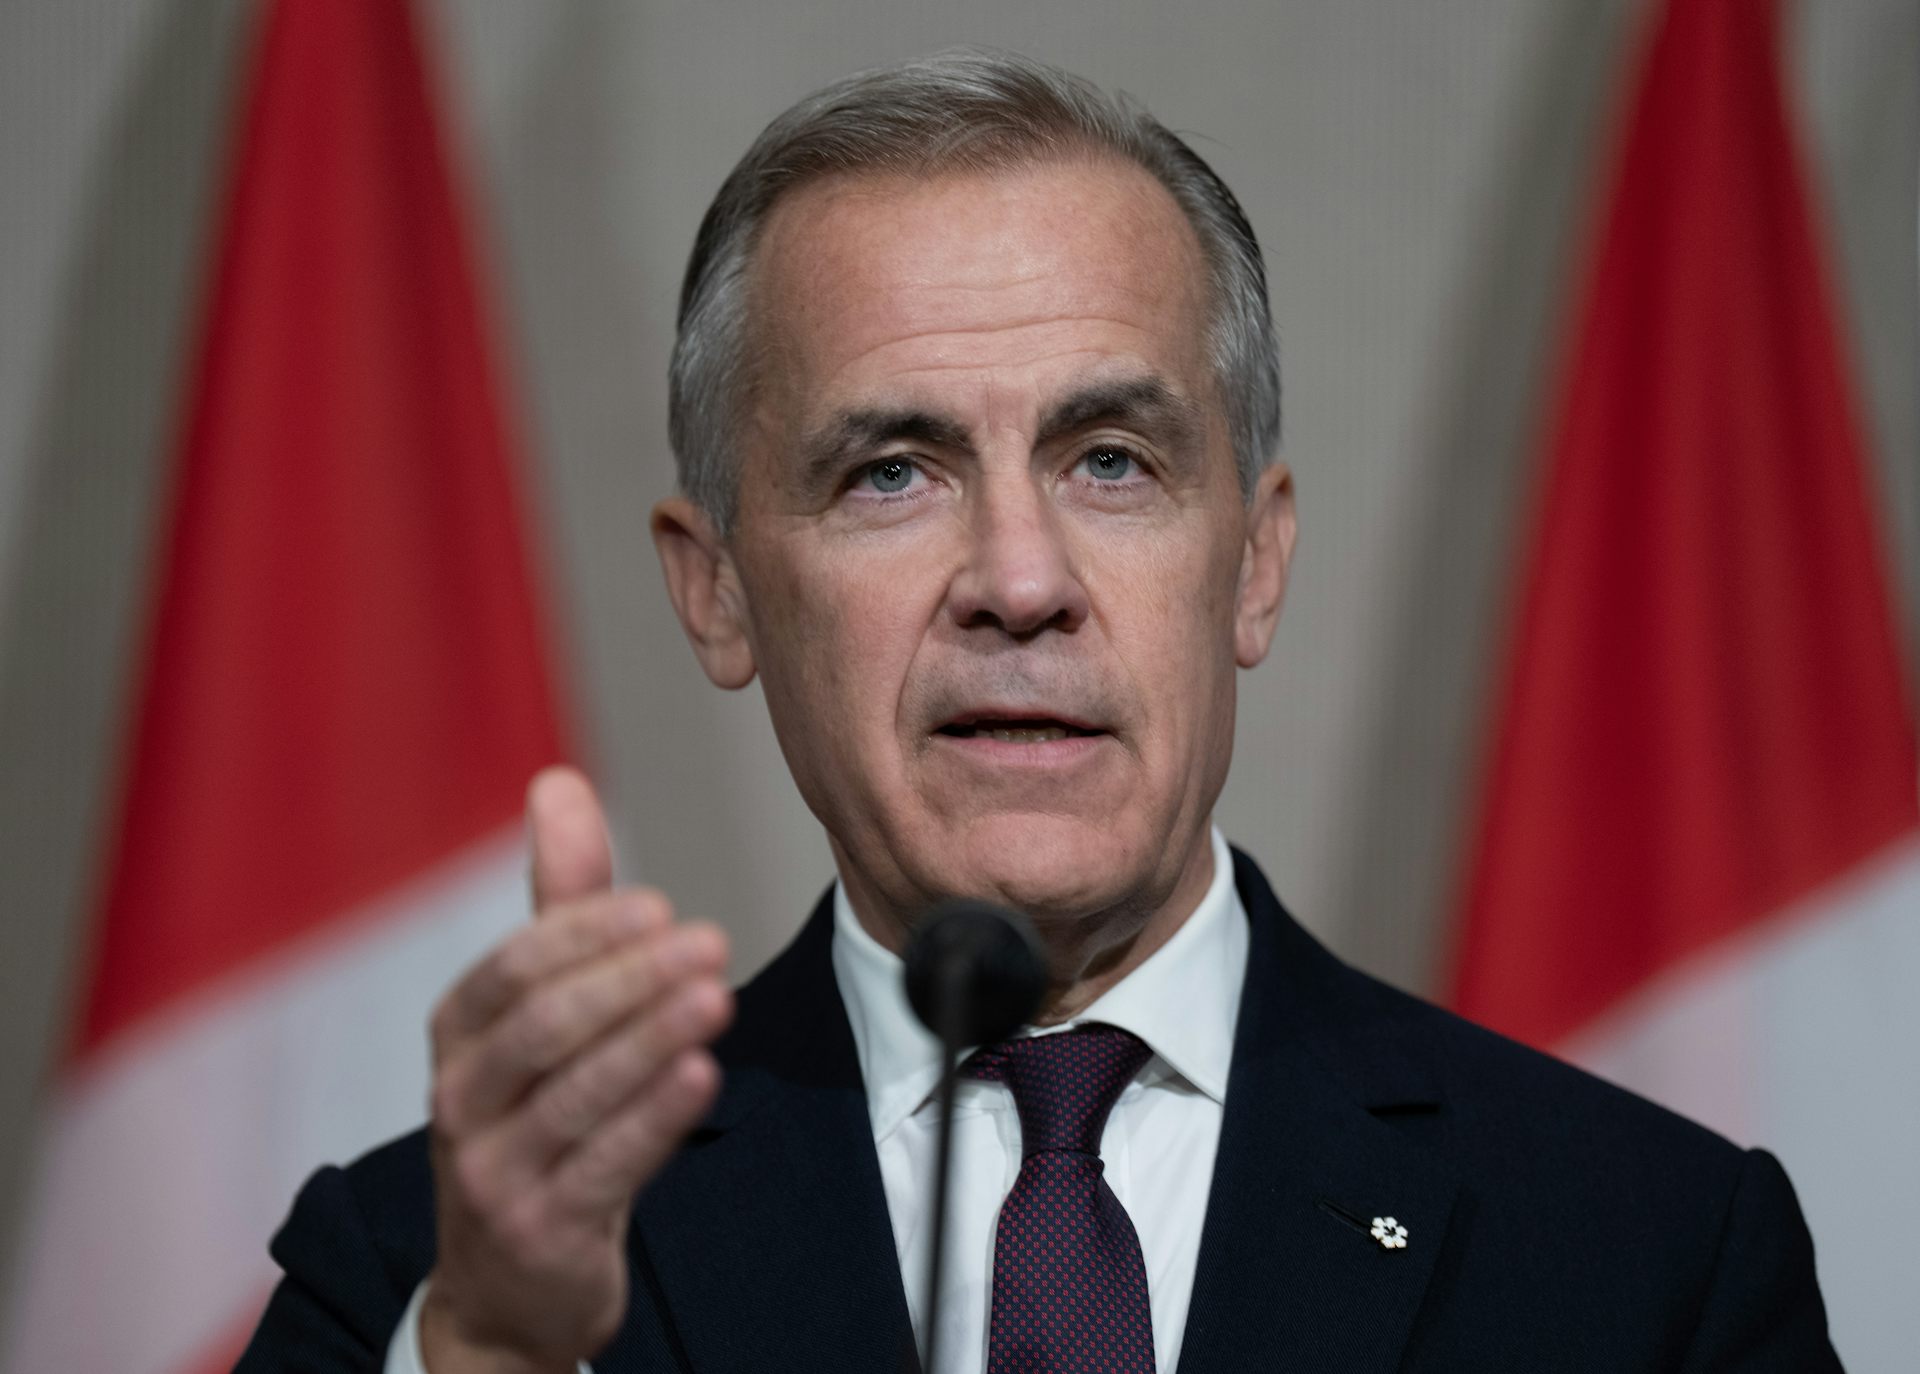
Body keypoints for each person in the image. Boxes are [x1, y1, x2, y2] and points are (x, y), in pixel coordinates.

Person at [236, 50, 1841, 1373]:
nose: (1019, 578)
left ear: (1257, 562)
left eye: (1112, 461)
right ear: (717, 587)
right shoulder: (419, 1277)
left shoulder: (1650, 1260)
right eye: (891, 473)